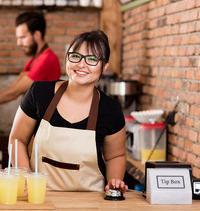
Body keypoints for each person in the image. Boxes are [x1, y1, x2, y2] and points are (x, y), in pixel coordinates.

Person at [9, 30, 128, 193]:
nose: (81, 64)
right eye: (75, 56)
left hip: (90, 203)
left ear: (104, 66)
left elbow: (116, 156)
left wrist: (115, 180)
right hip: (38, 197)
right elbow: (17, 140)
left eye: (92, 59)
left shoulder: (110, 109)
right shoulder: (39, 93)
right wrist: (24, 176)